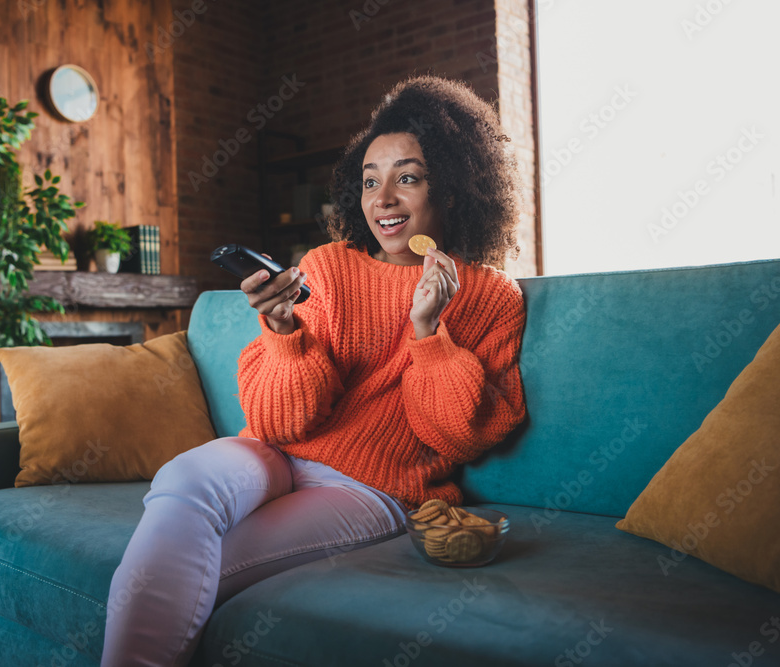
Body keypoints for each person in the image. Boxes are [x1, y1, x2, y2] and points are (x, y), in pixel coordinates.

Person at [100, 74, 528, 666]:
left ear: (452, 189)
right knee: (183, 481)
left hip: (371, 488)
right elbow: (278, 422)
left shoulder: (490, 296)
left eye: (408, 177)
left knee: (195, 571)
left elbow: (457, 434)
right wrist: (283, 334)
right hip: (276, 451)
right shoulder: (326, 268)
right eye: (370, 181)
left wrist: (428, 334)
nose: (383, 200)